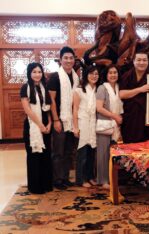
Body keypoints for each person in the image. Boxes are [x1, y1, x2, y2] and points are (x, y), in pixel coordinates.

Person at [48, 46, 79, 190]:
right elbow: (52, 100)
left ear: (74, 60)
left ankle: (65, 177)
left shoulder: (75, 76)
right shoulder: (55, 77)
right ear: (60, 60)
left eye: (71, 58)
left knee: (68, 151)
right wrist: (55, 120)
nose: (68, 60)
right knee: (58, 151)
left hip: (71, 120)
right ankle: (58, 179)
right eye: (65, 58)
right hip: (60, 119)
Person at [20, 62, 53, 194]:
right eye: (34, 72)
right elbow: (27, 109)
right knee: (34, 156)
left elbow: (48, 108)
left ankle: (46, 184)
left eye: (39, 72)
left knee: (46, 155)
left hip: (46, 125)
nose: (37, 74)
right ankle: (35, 186)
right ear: (29, 73)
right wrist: (40, 125)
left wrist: (49, 123)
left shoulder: (44, 87)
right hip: (33, 126)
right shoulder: (25, 88)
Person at [96, 64, 123, 189]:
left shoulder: (118, 88)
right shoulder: (102, 88)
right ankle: (103, 180)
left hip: (115, 124)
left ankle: (112, 177)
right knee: (103, 153)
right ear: (106, 75)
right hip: (105, 124)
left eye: (115, 72)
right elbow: (99, 108)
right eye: (110, 73)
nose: (113, 75)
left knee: (112, 152)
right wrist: (114, 116)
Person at [73, 65, 100, 188]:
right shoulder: (79, 90)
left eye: (96, 74)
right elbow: (75, 109)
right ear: (86, 75)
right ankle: (81, 179)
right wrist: (75, 127)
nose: (94, 76)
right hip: (82, 122)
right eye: (91, 74)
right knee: (82, 153)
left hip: (93, 122)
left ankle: (90, 176)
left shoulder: (98, 90)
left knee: (91, 153)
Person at [119, 52, 149, 143]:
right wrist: (140, 89)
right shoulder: (127, 76)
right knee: (130, 144)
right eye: (138, 60)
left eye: (144, 60)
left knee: (146, 145)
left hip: (147, 117)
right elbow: (121, 94)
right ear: (133, 62)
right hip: (130, 116)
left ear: (148, 62)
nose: (141, 62)